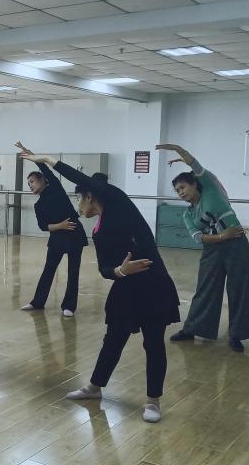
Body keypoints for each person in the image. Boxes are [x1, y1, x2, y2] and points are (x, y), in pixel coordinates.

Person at [22, 153, 179, 423]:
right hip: (126, 287)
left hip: (154, 286)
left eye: (80, 198)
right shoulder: (98, 231)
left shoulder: (119, 204)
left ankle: (153, 401)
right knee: (113, 340)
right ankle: (94, 388)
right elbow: (105, 269)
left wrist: (48, 160)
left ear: (90, 196)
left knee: (154, 344)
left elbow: (81, 178)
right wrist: (120, 271)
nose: (78, 206)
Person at [156, 144, 249, 353]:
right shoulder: (188, 214)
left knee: (240, 289)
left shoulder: (211, 190)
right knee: (205, 289)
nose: (181, 193)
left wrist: (176, 149)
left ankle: (236, 335)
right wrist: (222, 236)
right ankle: (192, 329)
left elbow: (195, 165)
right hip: (213, 249)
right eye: (177, 191)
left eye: (183, 187)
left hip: (236, 245)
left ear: (195, 184)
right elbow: (198, 237)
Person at [14, 141, 86, 316]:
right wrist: (60, 226)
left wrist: (31, 154)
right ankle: (38, 302)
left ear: (42, 180)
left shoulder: (55, 187)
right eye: (28, 184)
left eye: (32, 181)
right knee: (48, 269)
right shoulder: (38, 205)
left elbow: (44, 166)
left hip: (74, 232)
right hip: (57, 237)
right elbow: (43, 226)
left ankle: (69, 306)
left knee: (73, 271)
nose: (30, 185)